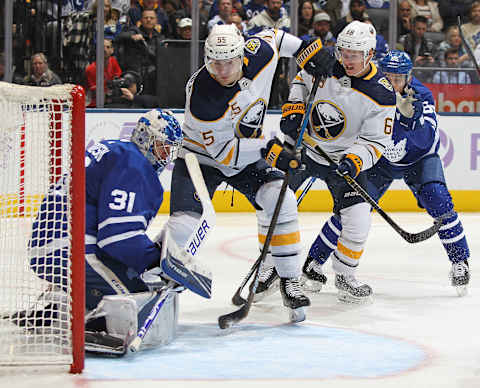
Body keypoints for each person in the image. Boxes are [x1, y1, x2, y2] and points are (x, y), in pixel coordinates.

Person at [168, 24, 336, 320]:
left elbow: (278, 36)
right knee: (183, 227)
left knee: (281, 202)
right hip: (200, 160)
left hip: (246, 157)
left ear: (242, 55)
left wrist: (308, 51)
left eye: (229, 62)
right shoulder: (203, 97)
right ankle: (160, 288)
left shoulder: (260, 54)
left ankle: (288, 280)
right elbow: (225, 153)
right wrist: (272, 151)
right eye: (214, 63)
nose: (221, 70)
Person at [303, 50, 471, 296]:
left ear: (408, 77)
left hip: (418, 160)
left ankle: (460, 263)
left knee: (439, 200)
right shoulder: (372, 91)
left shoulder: (421, 95)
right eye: (388, 76)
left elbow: (429, 136)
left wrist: (408, 128)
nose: (393, 83)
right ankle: (313, 263)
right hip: (379, 162)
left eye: (399, 78)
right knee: (350, 209)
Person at [27, 109, 185, 353]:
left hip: (53, 242)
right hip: (69, 248)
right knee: (136, 298)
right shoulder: (134, 164)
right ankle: (91, 324)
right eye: (162, 147)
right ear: (145, 138)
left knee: (132, 276)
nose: (165, 157)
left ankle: (61, 305)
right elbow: (117, 239)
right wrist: (160, 261)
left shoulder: (119, 151)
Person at [281, 20, 396, 303]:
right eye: (343, 53)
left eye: (354, 55)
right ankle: (273, 269)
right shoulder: (325, 64)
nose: (347, 60)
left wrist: (354, 160)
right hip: (306, 149)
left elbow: (375, 141)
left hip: (341, 160)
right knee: (277, 204)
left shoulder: (381, 92)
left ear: (369, 54)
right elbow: (300, 81)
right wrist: (294, 110)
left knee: (358, 220)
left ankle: (345, 275)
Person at [85, 38, 122, 108]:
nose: (104, 50)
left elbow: (118, 79)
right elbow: (97, 94)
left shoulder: (113, 61)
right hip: (95, 104)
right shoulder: (91, 69)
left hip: (110, 100)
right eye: (102, 47)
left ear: (112, 50)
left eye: (108, 47)